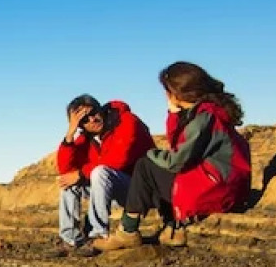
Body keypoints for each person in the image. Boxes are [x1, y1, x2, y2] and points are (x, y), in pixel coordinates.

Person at [92, 62, 252, 252]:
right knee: (157, 170)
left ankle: (128, 231)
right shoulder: (208, 111)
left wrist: (150, 154)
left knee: (145, 166)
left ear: (177, 92)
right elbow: (178, 146)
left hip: (218, 188)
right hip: (224, 183)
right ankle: (172, 226)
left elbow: (177, 160)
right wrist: (174, 113)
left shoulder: (204, 117)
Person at [55, 94, 156, 253]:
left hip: (142, 190)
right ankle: (70, 239)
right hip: (114, 189)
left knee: (99, 172)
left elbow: (118, 159)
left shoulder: (127, 121)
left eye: (93, 112)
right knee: (68, 183)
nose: (92, 120)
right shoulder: (87, 137)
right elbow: (66, 170)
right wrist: (69, 135)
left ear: (100, 109)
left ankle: (98, 237)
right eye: (84, 119)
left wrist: (81, 174)